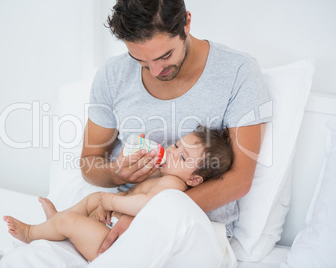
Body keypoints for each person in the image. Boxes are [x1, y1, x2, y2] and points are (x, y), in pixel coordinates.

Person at [80, 0, 271, 263]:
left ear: (186, 23)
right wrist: (114, 173)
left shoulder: (238, 72)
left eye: (164, 56)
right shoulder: (112, 76)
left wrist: (145, 216)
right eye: (141, 61)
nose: (156, 71)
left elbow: (239, 180)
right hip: (117, 220)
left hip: (196, 228)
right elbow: (89, 160)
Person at [3, 126, 234, 262]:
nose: (172, 153)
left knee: (72, 220)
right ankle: (54, 221)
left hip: (114, 245)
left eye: (182, 158)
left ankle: (32, 233)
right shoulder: (164, 175)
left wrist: (110, 200)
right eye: (176, 146)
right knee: (91, 200)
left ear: (194, 180)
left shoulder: (174, 186)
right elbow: (136, 191)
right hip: (111, 225)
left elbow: (147, 206)